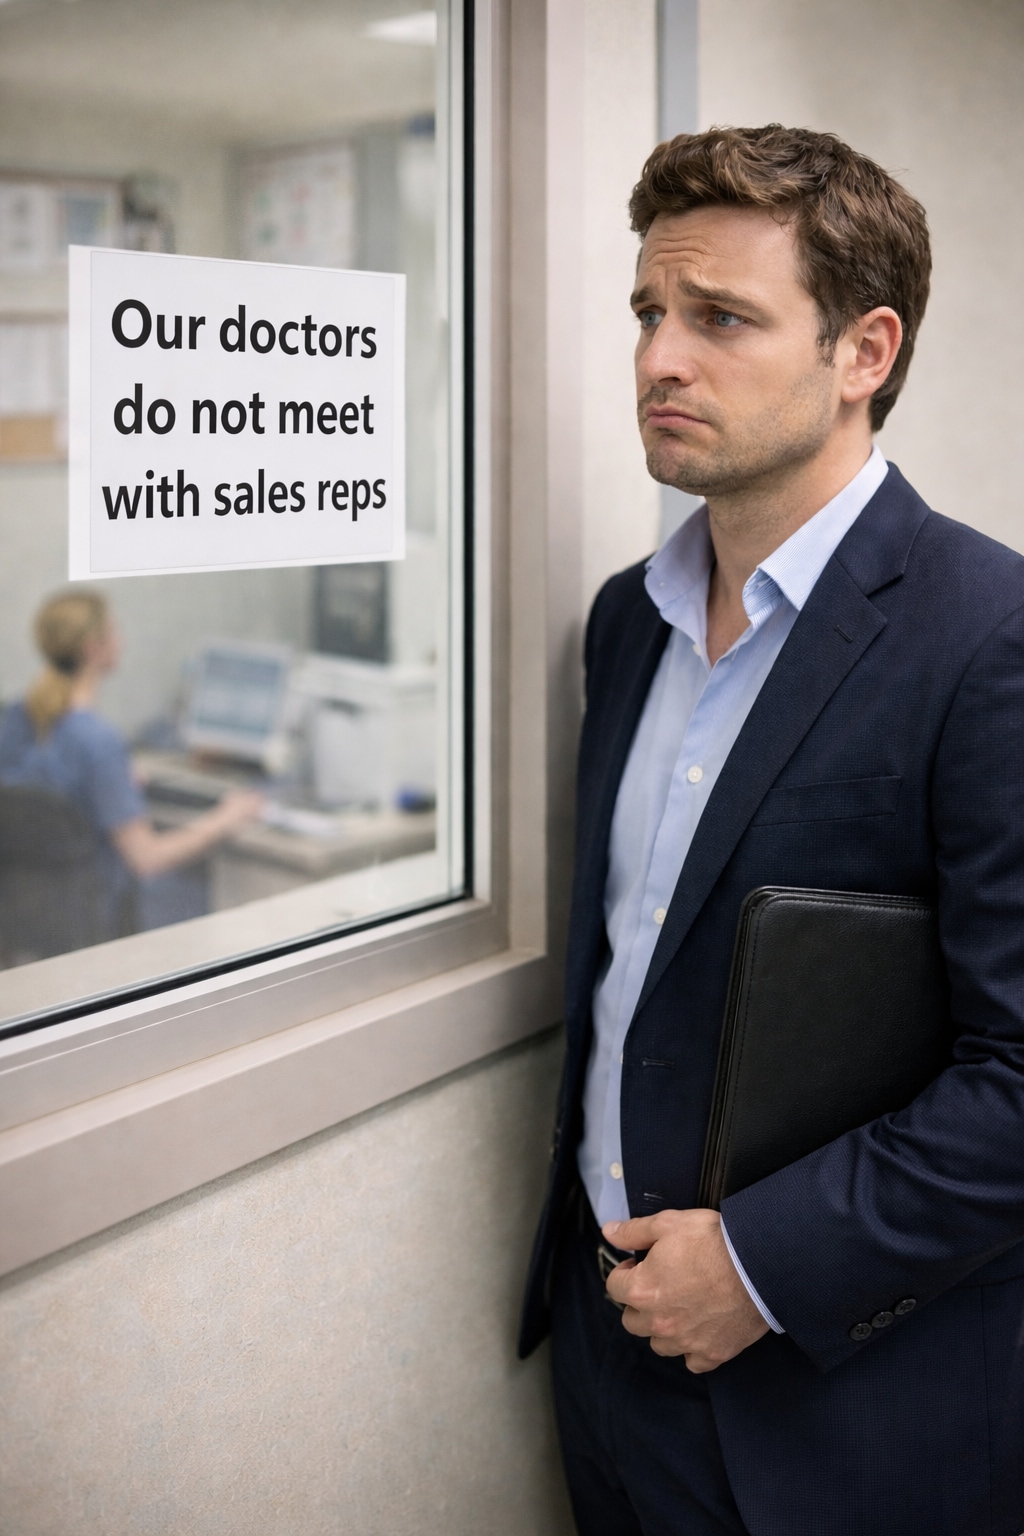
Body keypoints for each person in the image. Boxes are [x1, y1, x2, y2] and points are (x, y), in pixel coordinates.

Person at [520, 125, 1024, 1536]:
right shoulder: (628, 623)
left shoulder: (989, 637)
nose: (658, 358)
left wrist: (756, 1265)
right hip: (605, 1353)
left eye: (721, 318)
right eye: (648, 313)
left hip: (848, 1398)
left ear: (865, 352)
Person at [0, 590, 262, 942]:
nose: (122, 641)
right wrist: (225, 818)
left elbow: (43, 796)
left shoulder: (18, 717)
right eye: (115, 630)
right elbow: (147, 859)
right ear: (95, 648)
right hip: (94, 920)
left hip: (27, 917)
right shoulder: (98, 741)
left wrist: (114, 783)